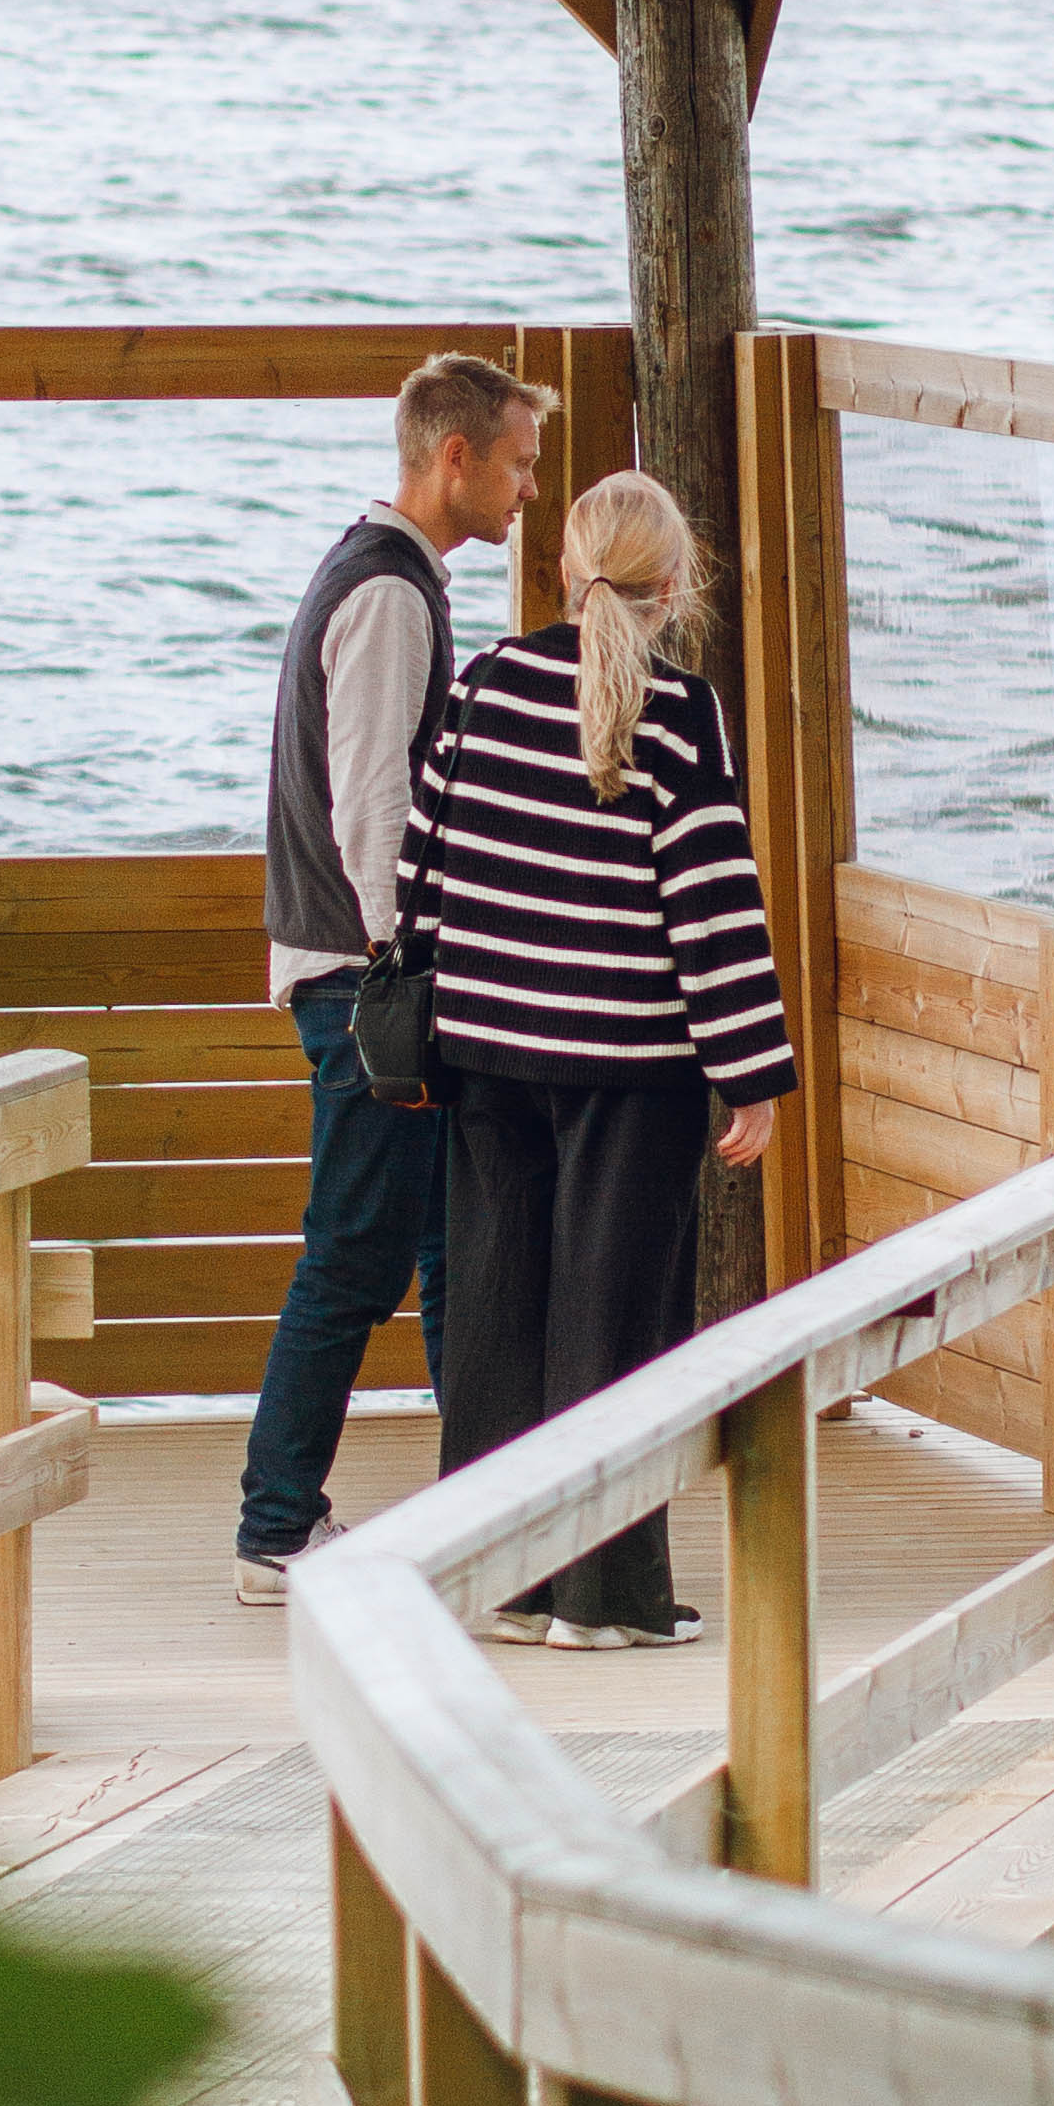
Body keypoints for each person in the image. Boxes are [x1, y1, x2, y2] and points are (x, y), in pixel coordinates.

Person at [393, 468, 794, 1645]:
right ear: (674, 586)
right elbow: (710, 902)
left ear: (565, 573)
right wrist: (749, 1071)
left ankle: (496, 1580)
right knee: (613, 1325)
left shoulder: (485, 684)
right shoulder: (680, 714)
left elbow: (422, 866)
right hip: (630, 1059)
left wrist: (431, 1003)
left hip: (487, 1050)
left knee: (494, 1316)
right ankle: (605, 1598)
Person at [235, 350, 550, 1603]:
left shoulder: (381, 575)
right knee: (356, 1255)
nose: (529, 489)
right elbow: (371, 802)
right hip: (366, 981)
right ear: (453, 456)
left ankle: (474, 1504)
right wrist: (398, 970)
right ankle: (275, 1527)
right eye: (518, 463)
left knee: (438, 1245)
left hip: (359, 972)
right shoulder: (386, 594)